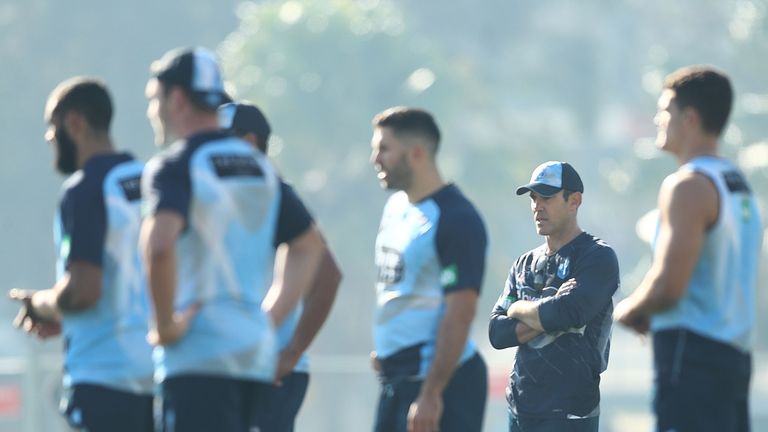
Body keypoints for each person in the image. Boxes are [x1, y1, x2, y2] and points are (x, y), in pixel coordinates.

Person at [141, 47, 324, 432]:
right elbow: (308, 246)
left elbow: (159, 247)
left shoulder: (175, 165)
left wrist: (166, 325)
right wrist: (269, 320)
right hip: (253, 357)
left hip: (198, 359)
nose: (152, 111)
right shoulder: (260, 167)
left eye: (154, 99)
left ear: (177, 99)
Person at [614, 66, 762, 432]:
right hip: (734, 359)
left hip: (691, 359)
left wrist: (628, 309)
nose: (657, 119)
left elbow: (668, 287)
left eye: (665, 110)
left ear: (690, 118)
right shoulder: (739, 185)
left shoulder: (686, 186)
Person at [9, 77, 154, 431]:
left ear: (74, 123)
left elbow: (84, 290)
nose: (49, 138)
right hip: (158, 372)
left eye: (52, 127)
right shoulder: (151, 180)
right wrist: (70, 318)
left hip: (104, 379)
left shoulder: (86, 188)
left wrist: (40, 304)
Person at [218, 101, 342, 431]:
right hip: (234, 366)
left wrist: (292, 352)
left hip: (270, 370)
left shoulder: (271, 193)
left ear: (248, 142)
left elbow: (329, 276)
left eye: (221, 138)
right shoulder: (224, 196)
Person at [369, 107, 488, 432]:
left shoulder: (456, 218)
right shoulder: (395, 207)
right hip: (397, 379)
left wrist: (432, 393)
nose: (375, 159)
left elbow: (460, 312)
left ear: (417, 153)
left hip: (442, 386)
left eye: (384, 149)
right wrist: (389, 350)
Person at [489, 161, 619, 432]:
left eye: (546, 198)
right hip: (520, 409)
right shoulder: (523, 263)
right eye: (534, 198)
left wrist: (517, 308)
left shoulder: (597, 256)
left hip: (571, 412)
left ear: (574, 201)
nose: (537, 206)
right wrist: (545, 313)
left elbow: (568, 312)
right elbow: (497, 333)